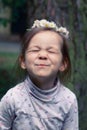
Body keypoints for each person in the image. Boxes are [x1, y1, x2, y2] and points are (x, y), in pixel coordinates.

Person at [0, 19, 79, 130]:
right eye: (35, 50)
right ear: (23, 61)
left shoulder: (68, 100)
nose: (42, 55)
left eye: (51, 51)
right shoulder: (12, 98)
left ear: (63, 63)